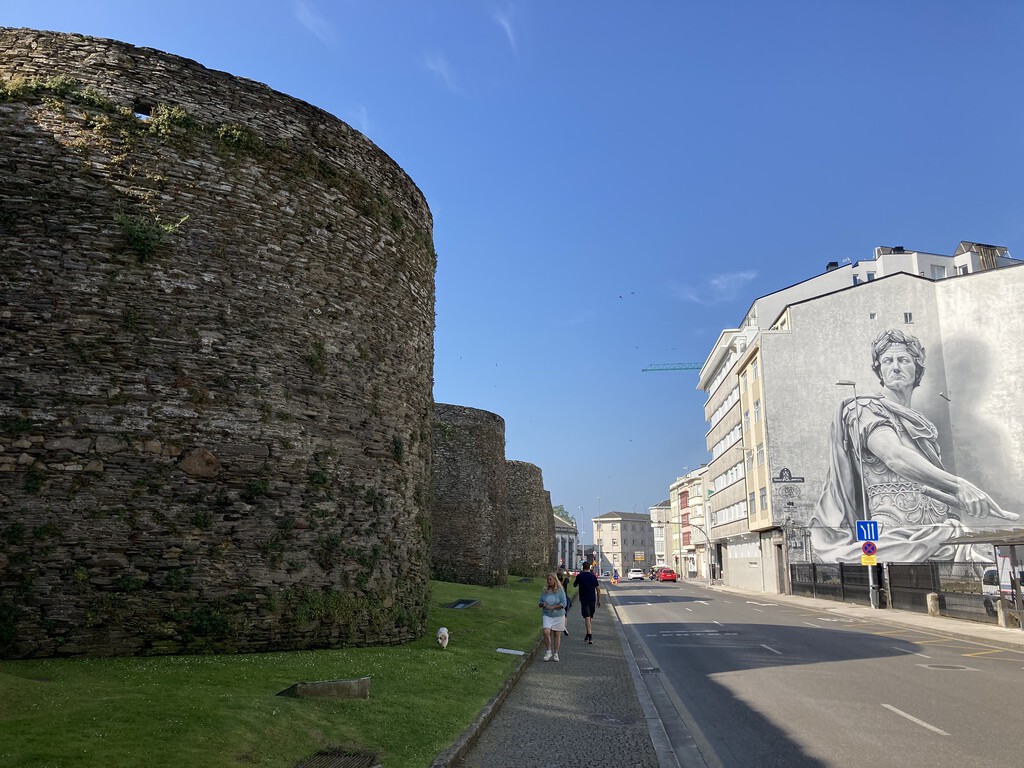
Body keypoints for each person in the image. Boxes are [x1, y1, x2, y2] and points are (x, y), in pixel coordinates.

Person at [810, 328, 1017, 562]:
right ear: (879, 369)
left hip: (940, 533)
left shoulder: (922, 424)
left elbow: (929, 483)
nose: (895, 367)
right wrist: (960, 486)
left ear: (917, 369)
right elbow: (894, 456)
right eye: (887, 361)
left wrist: (965, 502)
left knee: (988, 571)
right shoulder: (863, 408)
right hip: (895, 538)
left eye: (903, 360)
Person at [538, 571, 566, 662]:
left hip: (558, 615)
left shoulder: (560, 591)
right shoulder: (545, 590)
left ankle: (556, 653)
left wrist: (553, 607)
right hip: (547, 614)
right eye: (548, 579)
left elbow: (564, 603)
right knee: (546, 631)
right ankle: (548, 651)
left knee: (557, 634)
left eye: (550, 579)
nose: (548, 581)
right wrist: (541, 604)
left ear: (555, 580)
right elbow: (540, 601)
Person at [572, 561, 601, 644]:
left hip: (584, 599)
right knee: (589, 617)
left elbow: (574, 585)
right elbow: (598, 589)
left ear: (583, 567)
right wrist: (598, 600)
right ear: (589, 568)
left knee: (587, 617)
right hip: (592, 599)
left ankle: (590, 635)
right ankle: (588, 634)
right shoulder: (593, 576)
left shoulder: (580, 576)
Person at [557, 567, 572, 636]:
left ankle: (557, 626)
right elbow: (569, 577)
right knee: (565, 614)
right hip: (564, 597)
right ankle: (564, 627)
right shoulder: (565, 580)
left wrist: (556, 570)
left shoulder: (555, 581)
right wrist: (566, 570)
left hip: (557, 598)